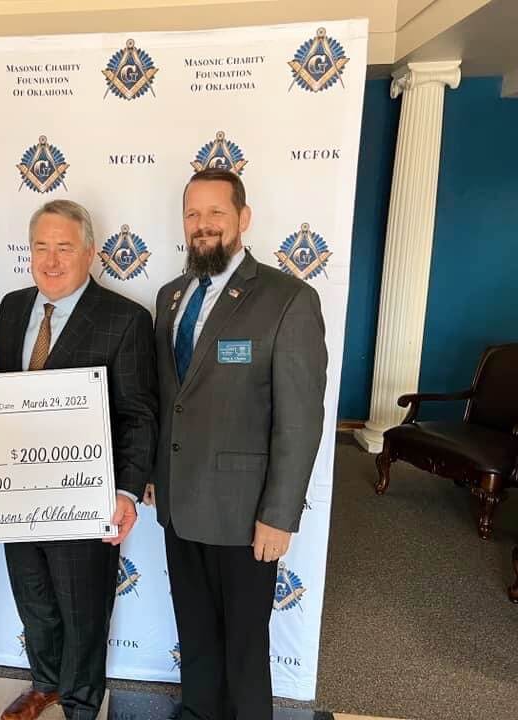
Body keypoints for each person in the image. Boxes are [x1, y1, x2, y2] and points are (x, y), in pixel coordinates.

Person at [147, 168, 327, 720]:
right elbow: (170, 399)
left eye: (215, 213)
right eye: (192, 214)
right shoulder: (170, 296)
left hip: (245, 513)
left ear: (243, 218)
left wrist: (279, 514)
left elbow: (300, 420)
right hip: (179, 503)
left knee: (245, 647)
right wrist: (154, 474)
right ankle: (198, 712)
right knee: (195, 632)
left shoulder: (288, 299)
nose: (202, 225)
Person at [0, 200, 158, 720]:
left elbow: (139, 414)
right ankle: (45, 683)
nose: (51, 260)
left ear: (90, 252)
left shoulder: (126, 319)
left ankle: (82, 702)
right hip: (16, 494)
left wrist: (126, 491)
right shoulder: (12, 307)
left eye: (64, 247)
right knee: (34, 599)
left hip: (86, 496)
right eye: (41, 247)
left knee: (83, 609)